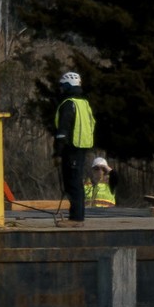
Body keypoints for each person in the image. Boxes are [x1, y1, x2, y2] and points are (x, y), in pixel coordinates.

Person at [52, 71, 97, 223]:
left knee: (73, 184)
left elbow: (62, 131)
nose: (61, 89)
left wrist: (57, 153)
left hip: (71, 150)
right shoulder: (84, 103)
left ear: (67, 86)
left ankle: (76, 218)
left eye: (62, 86)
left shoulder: (68, 104)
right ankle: (77, 216)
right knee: (77, 182)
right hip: (82, 147)